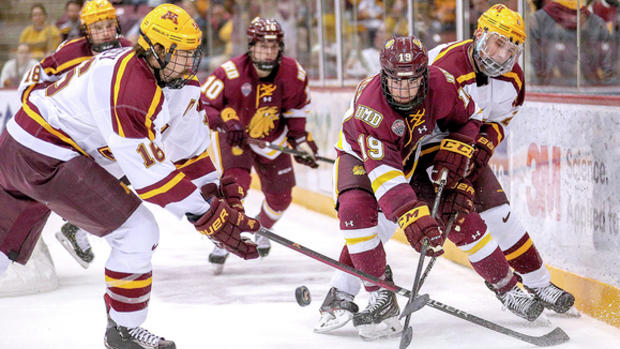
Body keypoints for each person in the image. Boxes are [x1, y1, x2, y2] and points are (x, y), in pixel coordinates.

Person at [0, 4, 259, 349]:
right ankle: (123, 330)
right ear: (154, 51)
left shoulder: (183, 86)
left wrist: (213, 198)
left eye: (191, 53)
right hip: (44, 152)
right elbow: (151, 179)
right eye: (180, 54)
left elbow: (190, 156)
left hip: (25, 144)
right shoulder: (128, 87)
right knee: (137, 232)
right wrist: (206, 214)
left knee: (2, 249)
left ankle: (122, 327)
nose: (190, 62)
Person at [314, 34, 545, 340]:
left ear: (425, 74)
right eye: (396, 81)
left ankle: (507, 287)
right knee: (357, 216)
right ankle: (379, 294)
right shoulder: (371, 109)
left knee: (456, 215)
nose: (405, 89)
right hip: (361, 156)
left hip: (415, 155)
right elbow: (385, 176)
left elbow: (472, 114)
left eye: (412, 81)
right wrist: (413, 218)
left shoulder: (441, 83)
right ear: (384, 75)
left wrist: (459, 147)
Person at [428, 3, 575, 313]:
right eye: (497, 43)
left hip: (467, 149)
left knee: (500, 213)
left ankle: (537, 281)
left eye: (511, 49)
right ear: (479, 34)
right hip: (428, 151)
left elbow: (500, 120)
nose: (501, 55)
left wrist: (483, 144)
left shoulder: (514, 80)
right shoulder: (446, 65)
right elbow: (422, 117)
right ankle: (346, 291)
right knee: (395, 218)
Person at [18, 0, 134, 269]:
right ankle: (20, 234)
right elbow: (35, 79)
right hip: (69, 132)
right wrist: (39, 111)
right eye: (97, 27)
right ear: (86, 30)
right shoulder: (70, 52)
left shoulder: (129, 52)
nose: (105, 32)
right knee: (50, 185)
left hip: (105, 132)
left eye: (108, 26)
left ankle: (75, 226)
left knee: (122, 176)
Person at [200, 17, 319, 274]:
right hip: (236, 138)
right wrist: (223, 123)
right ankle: (226, 237)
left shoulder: (294, 74)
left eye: (273, 46)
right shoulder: (229, 73)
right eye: (262, 45)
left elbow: (296, 113)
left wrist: (301, 141)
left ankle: (262, 229)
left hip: (272, 140)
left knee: (281, 198)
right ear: (251, 46)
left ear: (281, 47)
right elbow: (203, 105)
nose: (268, 51)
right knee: (235, 188)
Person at [529, 0, 615, 85]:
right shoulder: (597, 23)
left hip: (550, 89)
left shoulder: (538, 19)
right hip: (591, 89)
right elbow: (609, 68)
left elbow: (535, 64)